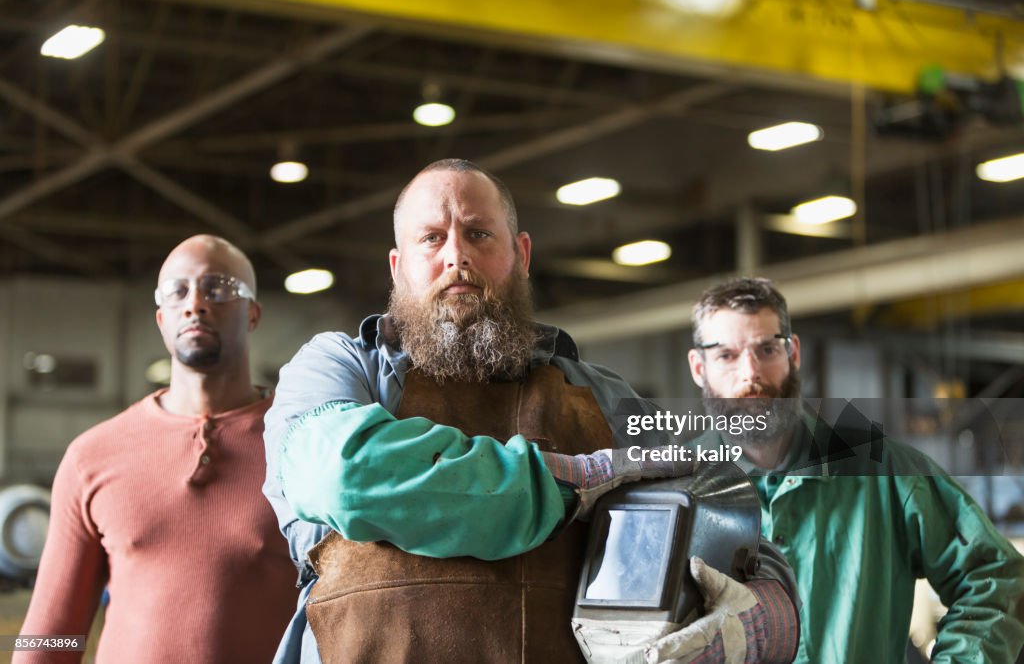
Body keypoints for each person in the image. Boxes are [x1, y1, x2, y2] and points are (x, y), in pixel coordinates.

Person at [263, 159, 800, 664]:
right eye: (432, 238)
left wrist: (769, 615)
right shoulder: (341, 369)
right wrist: (574, 480)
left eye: (478, 234)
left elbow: (722, 504)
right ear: (398, 266)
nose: (457, 256)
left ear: (520, 254)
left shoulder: (598, 396)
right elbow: (344, 475)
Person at [685, 276, 1024, 663]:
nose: (750, 374)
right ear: (699, 367)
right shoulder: (677, 486)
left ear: (793, 354)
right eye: (726, 355)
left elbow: (992, 577)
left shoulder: (887, 474)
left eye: (766, 349)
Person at [18, 235, 296, 663]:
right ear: (162, 318)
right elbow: (51, 636)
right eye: (178, 291)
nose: (196, 303)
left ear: (253, 313)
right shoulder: (92, 457)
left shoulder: (303, 444)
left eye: (219, 287)